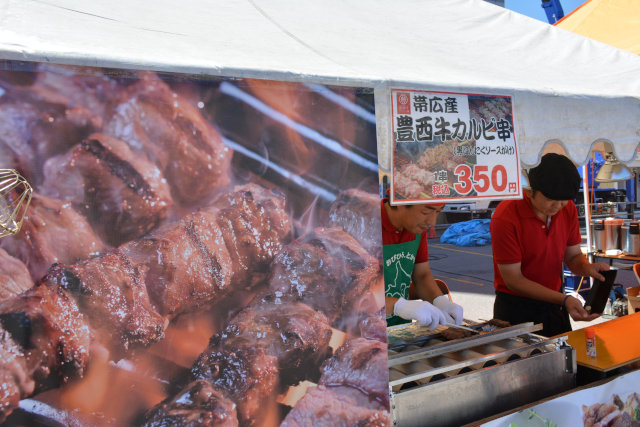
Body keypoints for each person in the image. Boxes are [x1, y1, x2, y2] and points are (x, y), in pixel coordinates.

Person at [490, 153, 609, 337]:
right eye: (552, 200)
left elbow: (573, 256)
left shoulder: (566, 208)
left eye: (564, 200)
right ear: (530, 191)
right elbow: (513, 280)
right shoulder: (505, 216)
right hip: (516, 308)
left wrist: (588, 268)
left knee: (565, 361)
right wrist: (564, 299)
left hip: (555, 303)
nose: (558, 206)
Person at [382, 196, 464, 329]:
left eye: (438, 212)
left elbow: (422, 275)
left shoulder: (416, 228)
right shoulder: (363, 223)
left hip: (399, 329)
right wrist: (398, 306)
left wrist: (439, 301)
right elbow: (347, 296)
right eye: (425, 212)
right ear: (400, 203)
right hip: (359, 334)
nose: (432, 221)